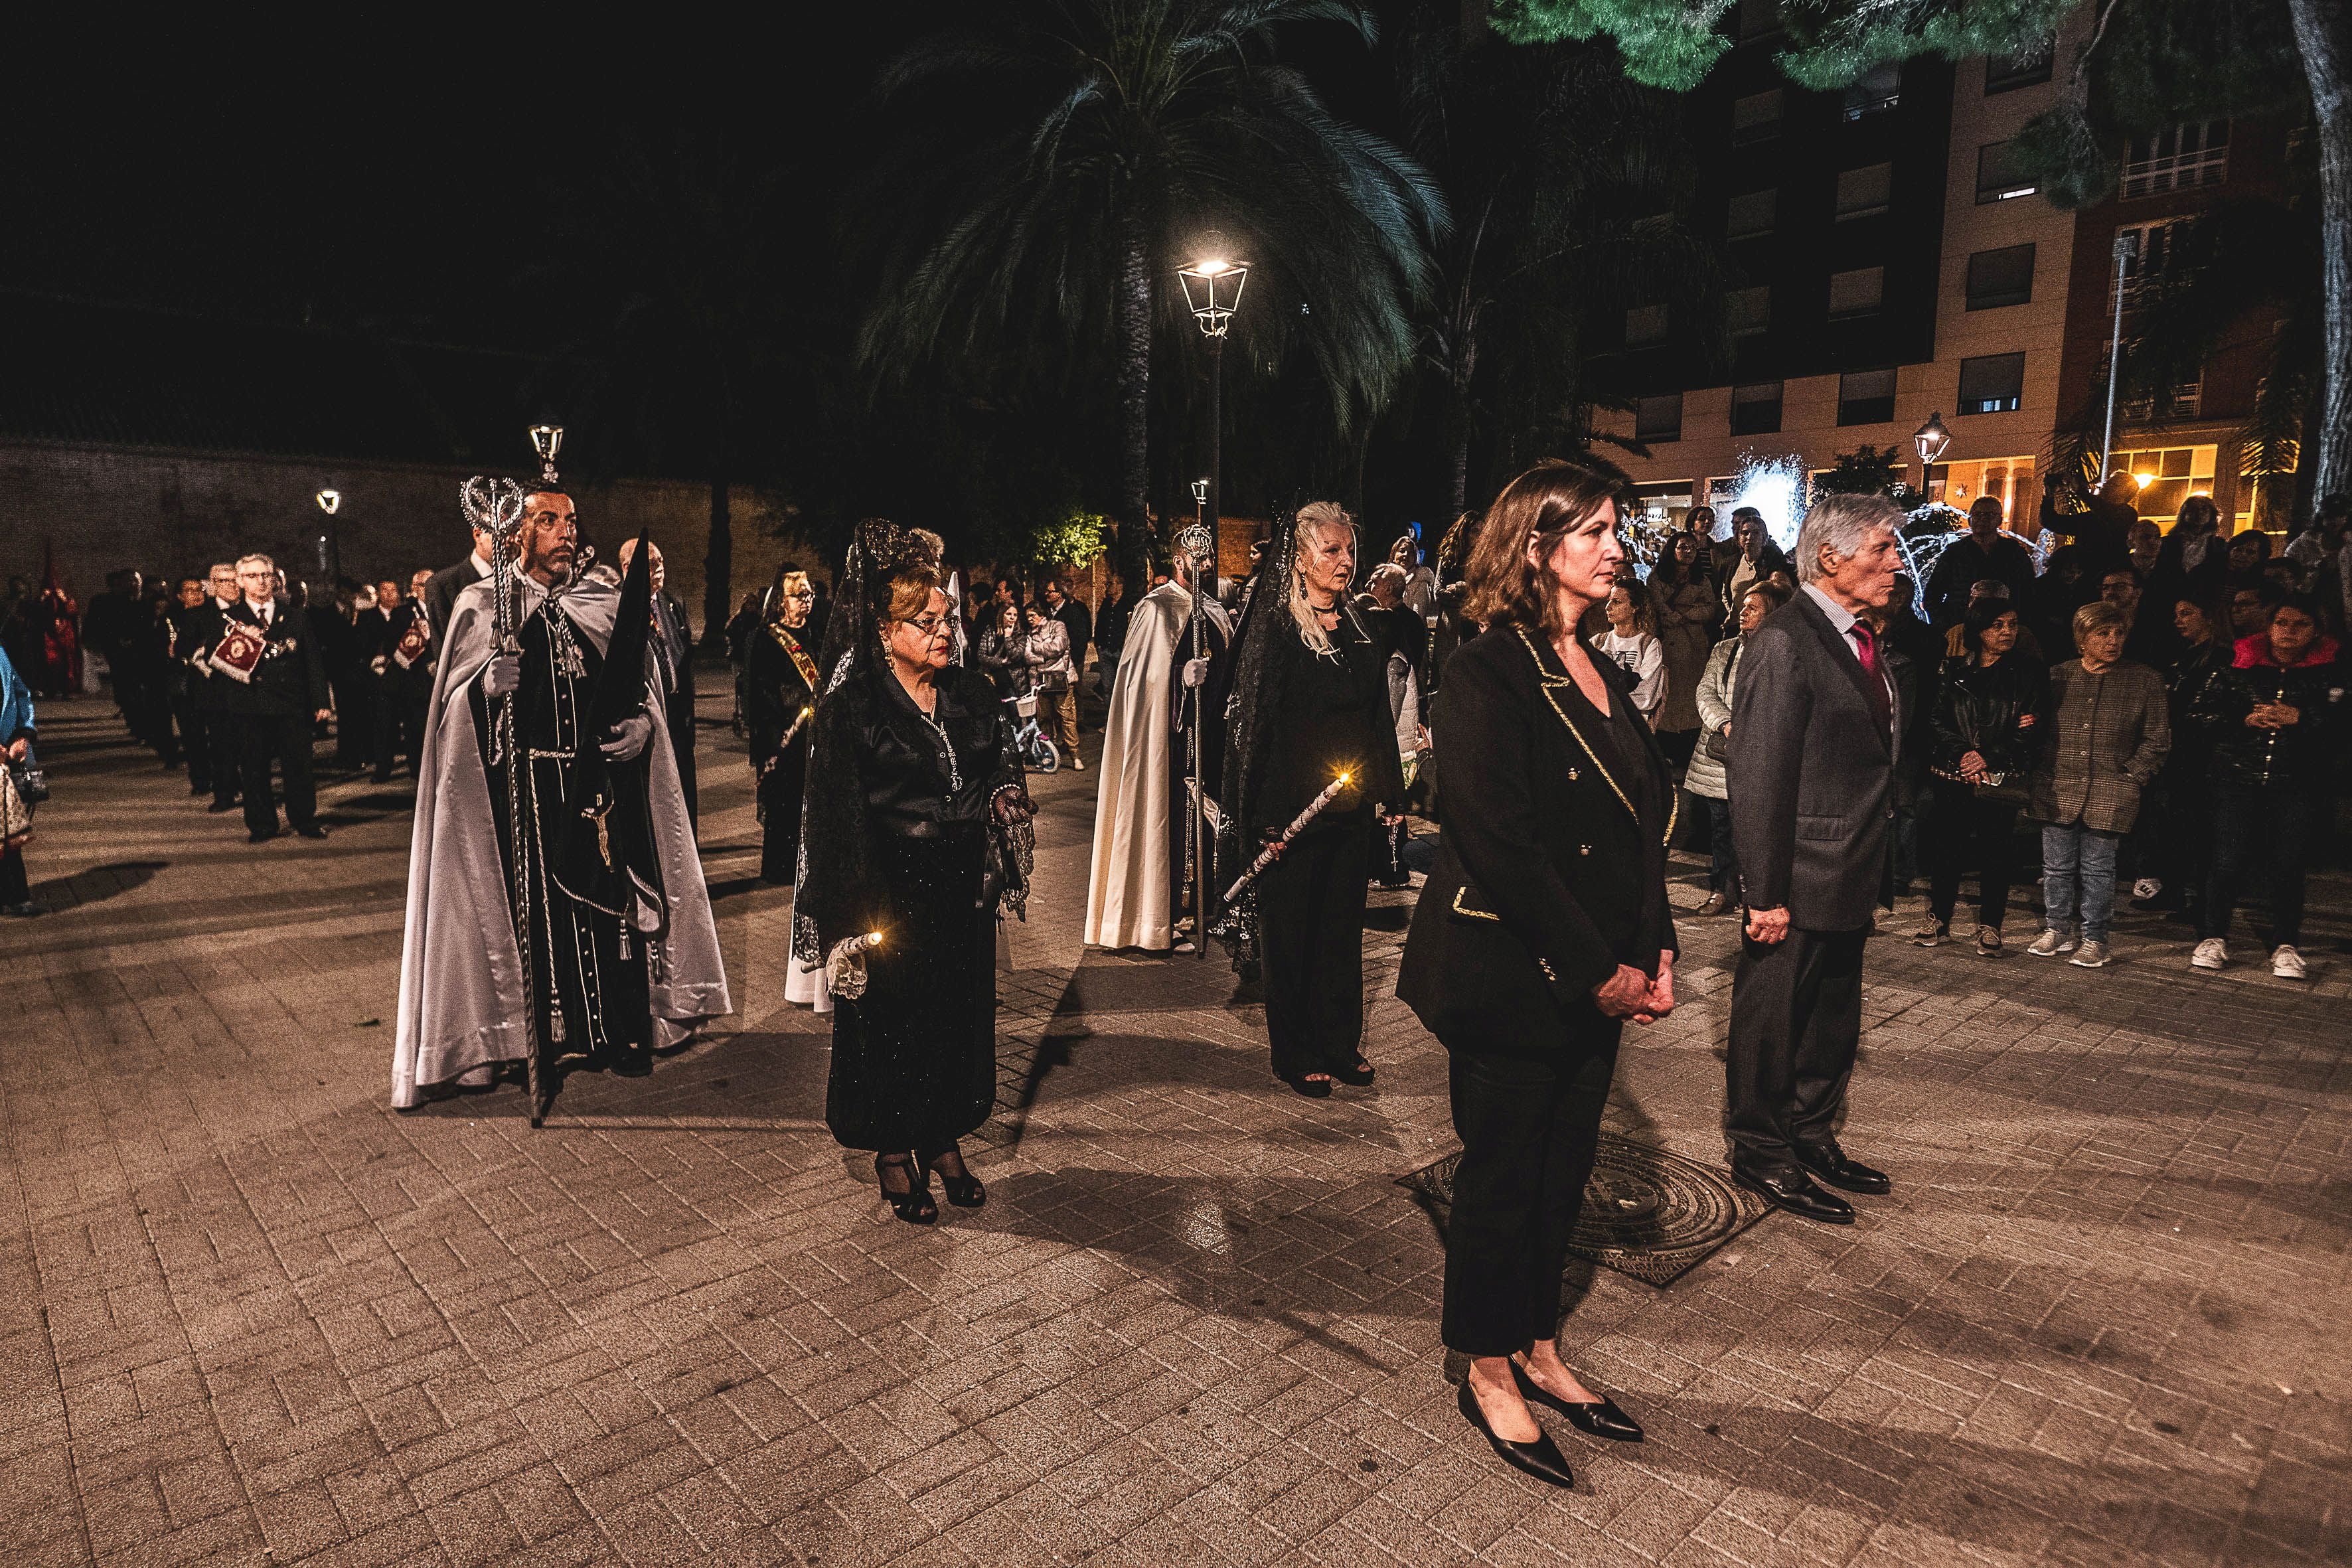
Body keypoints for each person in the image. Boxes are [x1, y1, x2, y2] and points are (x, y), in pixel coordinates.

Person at [1396, 459, 1673, 1488]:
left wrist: (1655, 952)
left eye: (1614, 528)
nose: (1614, 546)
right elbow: (1497, 837)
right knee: (1502, 1175)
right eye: (1593, 529)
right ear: (1533, 545)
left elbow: (1643, 822)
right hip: (1514, 967)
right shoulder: (1486, 668)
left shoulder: (1598, 661)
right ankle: (1483, 1362)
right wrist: (1596, 963)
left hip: (1601, 969)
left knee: (1561, 1175)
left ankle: (1540, 1345)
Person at [392, 487, 729, 1114]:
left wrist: (643, 730)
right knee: (535, 919)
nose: (564, 531)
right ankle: (531, 1042)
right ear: (517, 534)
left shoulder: (602, 599)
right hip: (522, 798)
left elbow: (642, 691)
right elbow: (447, 722)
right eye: (547, 521)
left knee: (611, 915)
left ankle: (616, 1032)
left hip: (602, 792)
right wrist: (482, 689)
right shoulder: (480, 605)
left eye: (570, 520)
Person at [795, 523, 1033, 1223]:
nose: (942, 631)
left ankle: (943, 1136)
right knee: (891, 1027)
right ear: (884, 628)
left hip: (960, 890)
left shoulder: (974, 693)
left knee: (955, 1019)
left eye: (947, 618)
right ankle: (895, 1149)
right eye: (924, 622)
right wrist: (852, 922)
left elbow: (1000, 760)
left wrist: (1004, 794)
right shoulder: (854, 709)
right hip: (888, 893)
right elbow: (835, 819)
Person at [1725, 493, 1906, 1225]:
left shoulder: (1863, 636)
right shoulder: (1782, 640)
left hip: (1851, 868)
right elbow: (1760, 773)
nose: (1897, 563)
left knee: (1832, 1020)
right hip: (1795, 877)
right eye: (1882, 549)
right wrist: (1763, 891)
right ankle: (1761, 1149)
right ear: (1830, 558)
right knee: (1772, 1021)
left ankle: (1810, 1133)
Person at [1221, 501, 1407, 1096]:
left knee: (1337, 932)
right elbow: (1255, 729)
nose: (1345, 562)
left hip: (1348, 814)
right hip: (1290, 816)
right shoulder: (1275, 631)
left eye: (1349, 550)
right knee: (1293, 934)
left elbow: (1378, 715)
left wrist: (1391, 793)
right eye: (1331, 551)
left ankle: (1337, 1040)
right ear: (1299, 559)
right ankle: (1294, 1049)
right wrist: (1261, 820)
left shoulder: (1358, 626)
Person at [1085, 530, 1231, 952]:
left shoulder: (1216, 611)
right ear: (1180, 560)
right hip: (1168, 744)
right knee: (1164, 822)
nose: (1206, 567)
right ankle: (1159, 918)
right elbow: (1140, 685)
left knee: (1206, 823)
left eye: (1209, 559)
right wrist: (1180, 680)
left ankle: (1204, 908)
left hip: (1209, 740)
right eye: (1198, 560)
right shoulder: (1156, 608)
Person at [2192, 593, 2341, 977]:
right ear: (2268, 627)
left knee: (2288, 863)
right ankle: (2212, 937)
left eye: (2300, 625)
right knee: (2226, 860)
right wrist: (2243, 719)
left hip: (2297, 781)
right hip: (2237, 776)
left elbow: (2343, 727)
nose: (2289, 632)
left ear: (2316, 630)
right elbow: (2198, 714)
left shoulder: (2332, 672)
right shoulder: (2237, 665)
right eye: (2281, 624)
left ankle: (2285, 944)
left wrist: (2302, 717)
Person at [2024, 601, 2170, 968]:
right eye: (2102, 633)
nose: (2113, 641)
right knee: (2055, 867)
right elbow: (2037, 730)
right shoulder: (2057, 676)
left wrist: (2132, 775)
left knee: (2099, 869)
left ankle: (2095, 938)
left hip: (2111, 789)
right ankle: (2056, 929)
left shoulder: (2145, 680)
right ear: (2081, 639)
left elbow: (2157, 738)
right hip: (2059, 785)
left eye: (2119, 633)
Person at [1913, 600, 2046, 955]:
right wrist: (1965, 754)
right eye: (1997, 624)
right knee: (1947, 851)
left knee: (1996, 853)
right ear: (1978, 629)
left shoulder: (2028, 673)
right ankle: (1938, 919)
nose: (2006, 631)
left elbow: (2030, 729)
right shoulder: (1953, 669)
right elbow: (1936, 720)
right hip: (1954, 773)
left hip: (1997, 776)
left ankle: (1991, 925)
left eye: (2013, 624)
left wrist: (1987, 756)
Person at [1686, 580, 1790, 917]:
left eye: (1752, 607)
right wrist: (1726, 723)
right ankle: (1722, 890)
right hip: (1721, 758)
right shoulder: (1724, 649)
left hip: (1763, 756)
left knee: (1760, 830)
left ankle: (1758, 892)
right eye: (1742, 605)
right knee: (1721, 829)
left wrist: (1756, 731)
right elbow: (1705, 692)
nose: (1742, 612)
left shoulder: (1787, 653)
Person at [214, 554, 331, 843]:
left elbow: (312, 662)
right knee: (254, 769)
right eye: (253, 576)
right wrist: (239, 642)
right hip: (249, 705)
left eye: (266, 575)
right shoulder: (228, 618)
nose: (261, 581)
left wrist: (321, 701)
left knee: (299, 767)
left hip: (292, 704)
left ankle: (305, 819)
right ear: (240, 582)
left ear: (275, 579)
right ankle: (262, 825)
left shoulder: (295, 616)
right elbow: (213, 661)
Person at [2148, 595, 2231, 922]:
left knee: (2200, 827)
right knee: (2178, 823)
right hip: (2181, 750)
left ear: (2209, 617)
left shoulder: (2220, 658)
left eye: (2186, 614)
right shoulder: (2187, 656)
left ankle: (2201, 900)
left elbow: (2212, 708)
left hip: (2203, 754)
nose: (2178, 620)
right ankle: (2177, 890)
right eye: (2176, 614)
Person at [745, 567, 821, 884]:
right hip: (783, 734)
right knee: (784, 802)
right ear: (781, 600)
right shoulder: (767, 639)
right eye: (799, 595)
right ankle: (781, 868)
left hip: (812, 732)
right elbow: (761, 691)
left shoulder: (815, 634)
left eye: (809, 594)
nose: (806, 601)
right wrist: (775, 734)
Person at [617, 539, 699, 829]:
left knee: (684, 789)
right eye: (652, 564)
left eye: (661, 561)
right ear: (629, 567)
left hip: (677, 714)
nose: (660, 568)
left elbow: (683, 654)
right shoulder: (620, 606)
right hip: (648, 713)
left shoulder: (671, 603)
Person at [1646, 533, 1714, 764]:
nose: (1689, 552)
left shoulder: (1701, 580)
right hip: (1668, 642)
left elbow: (1710, 608)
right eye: (1683, 547)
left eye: (1693, 548)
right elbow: (1657, 605)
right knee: (1667, 692)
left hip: (1693, 643)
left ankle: (1686, 744)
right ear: (1672, 550)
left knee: (1688, 694)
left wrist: (1685, 613)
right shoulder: (1658, 577)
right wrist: (1674, 614)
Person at [1924, 498, 2037, 629]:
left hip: (2001, 627)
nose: (1983, 519)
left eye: (1989, 515)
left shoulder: (2014, 552)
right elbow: (1932, 594)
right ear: (1970, 520)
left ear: (1999, 521)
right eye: (1977, 515)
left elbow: (2028, 592)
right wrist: (1946, 626)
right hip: (1962, 625)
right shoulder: (1955, 552)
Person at [1589, 580, 1664, 724]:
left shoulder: (1648, 644)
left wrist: (1604, 700)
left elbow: (1646, 696)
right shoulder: (1597, 642)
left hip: (1632, 725)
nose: (1608, 607)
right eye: (1609, 601)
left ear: (1634, 607)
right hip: (1599, 724)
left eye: (1616, 602)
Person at [0, 644, 39, 917]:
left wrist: (23, 734)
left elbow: (20, 693)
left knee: (7, 827)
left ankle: (15, 895)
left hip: (10, 753)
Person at [1022, 602, 1081, 769]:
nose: (1030, 619)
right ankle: (1048, 753)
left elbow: (1058, 647)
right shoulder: (1029, 633)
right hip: (1041, 681)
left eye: (1032, 615)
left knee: (1067, 716)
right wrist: (1045, 658)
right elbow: (1028, 657)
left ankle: (1075, 754)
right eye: (1027, 616)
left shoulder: (1057, 626)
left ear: (1041, 614)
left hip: (1062, 678)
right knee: (1044, 718)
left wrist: (1037, 648)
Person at [2151, 493, 2231, 616]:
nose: (2199, 513)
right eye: (2193, 509)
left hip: (2203, 605)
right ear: (2184, 513)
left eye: (2204, 509)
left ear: (2212, 515)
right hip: (2167, 603)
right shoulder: (2167, 543)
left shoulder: (2219, 546)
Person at [1717, 510, 1792, 629]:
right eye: (1745, 533)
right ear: (1738, 537)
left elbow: (1781, 591)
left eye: (1756, 533)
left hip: (1764, 626)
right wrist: (1732, 613)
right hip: (1737, 625)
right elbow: (1725, 593)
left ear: (1764, 537)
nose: (1750, 537)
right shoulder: (1730, 564)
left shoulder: (1774, 561)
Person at [1042, 577, 1091, 706]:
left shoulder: (1073, 612)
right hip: (1052, 664)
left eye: (1049, 591)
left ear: (1059, 594)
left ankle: (1078, 722)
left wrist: (1072, 661)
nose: (1046, 594)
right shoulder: (1047, 612)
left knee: (1072, 696)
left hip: (1070, 663)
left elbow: (1080, 639)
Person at [1092, 574, 1130, 700]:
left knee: (1123, 687)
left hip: (1121, 651)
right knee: (1107, 687)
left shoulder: (1128, 604)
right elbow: (1100, 624)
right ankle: (1109, 716)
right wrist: (1098, 645)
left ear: (1120, 586)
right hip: (1105, 650)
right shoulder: (1106, 604)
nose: (1107, 587)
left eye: (1111, 584)